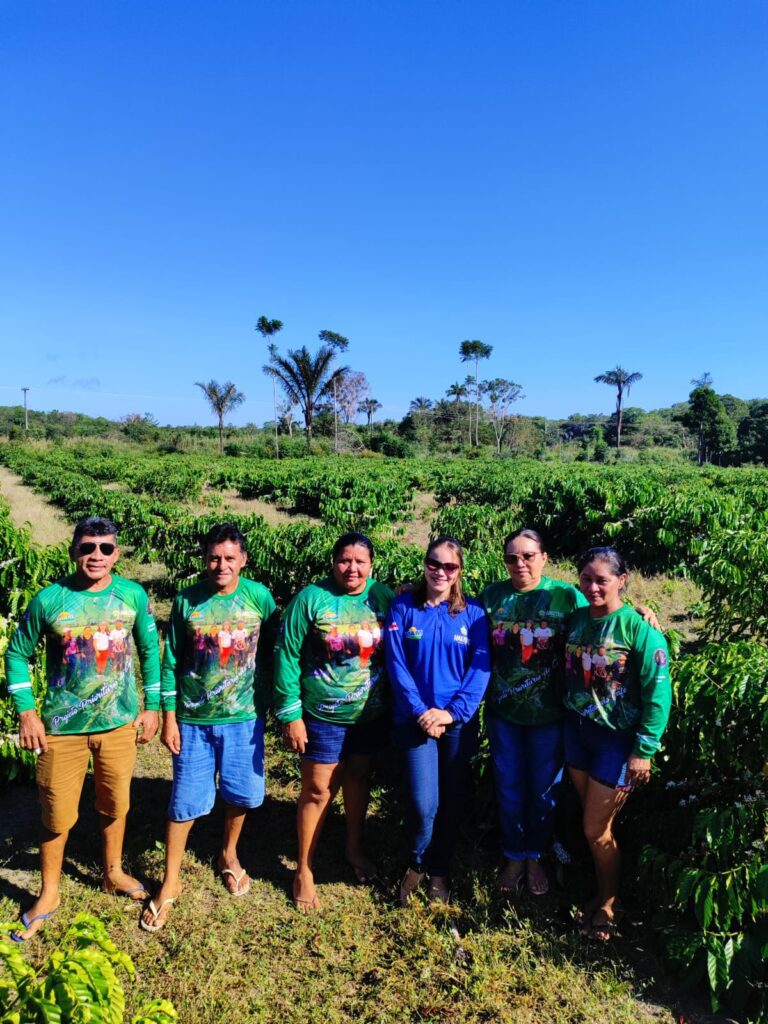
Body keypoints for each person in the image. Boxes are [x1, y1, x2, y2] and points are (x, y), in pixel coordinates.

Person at [5, 516, 161, 941]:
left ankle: (112, 872)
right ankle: (49, 892)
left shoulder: (132, 595)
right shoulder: (50, 599)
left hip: (118, 725)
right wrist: (27, 711)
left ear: (117, 553)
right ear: (73, 550)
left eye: (106, 548)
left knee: (115, 802)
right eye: (88, 547)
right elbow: (17, 654)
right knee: (55, 813)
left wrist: (152, 708)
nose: (97, 555)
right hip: (62, 728)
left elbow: (149, 651)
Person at [140, 524, 277, 932]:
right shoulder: (186, 601)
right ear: (205, 559)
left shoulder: (259, 597)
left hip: (243, 718)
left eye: (230, 558)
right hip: (194, 720)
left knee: (242, 793)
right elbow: (171, 662)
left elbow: (274, 651)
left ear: (243, 561)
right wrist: (169, 717)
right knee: (184, 802)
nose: (222, 565)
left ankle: (228, 854)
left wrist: (269, 705)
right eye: (215, 557)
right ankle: (170, 881)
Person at [274, 532, 393, 912]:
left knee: (359, 779)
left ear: (372, 565)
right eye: (344, 560)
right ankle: (304, 868)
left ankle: (353, 848)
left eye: (360, 561)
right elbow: (287, 654)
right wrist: (291, 714)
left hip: (369, 714)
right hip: (323, 715)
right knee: (317, 790)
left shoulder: (383, 597)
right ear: (332, 562)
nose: (352, 568)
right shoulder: (311, 599)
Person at [564, 546, 671, 942]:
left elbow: (659, 696)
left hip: (616, 740)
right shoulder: (574, 617)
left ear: (621, 581)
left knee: (596, 828)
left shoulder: (639, 629)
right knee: (594, 824)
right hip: (576, 732)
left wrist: (644, 750)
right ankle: (599, 892)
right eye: (586, 579)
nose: (593, 587)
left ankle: (610, 903)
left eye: (602, 580)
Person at [481, 528, 588, 896]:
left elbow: (604, 615)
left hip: (549, 714)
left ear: (544, 557)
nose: (520, 564)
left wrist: (641, 613)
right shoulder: (492, 597)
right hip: (503, 712)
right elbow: (451, 610)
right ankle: (514, 855)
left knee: (544, 790)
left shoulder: (565, 596)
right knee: (509, 786)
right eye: (512, 557)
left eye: (528, 556)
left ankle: (536, 855)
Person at [385, 537, 490, 905]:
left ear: (460, 571)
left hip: (456, 724)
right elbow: (397, 666)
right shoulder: (403, 607)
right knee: (422, 803)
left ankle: (440, 871)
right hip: (415, 721)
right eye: (434, 563)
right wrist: (421, 712)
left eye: (450, 567)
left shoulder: (474, 614)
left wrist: (452, 712)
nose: (440, 572)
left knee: (452, 800)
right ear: (425, 563)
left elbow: (480, 670)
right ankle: (416, 863)